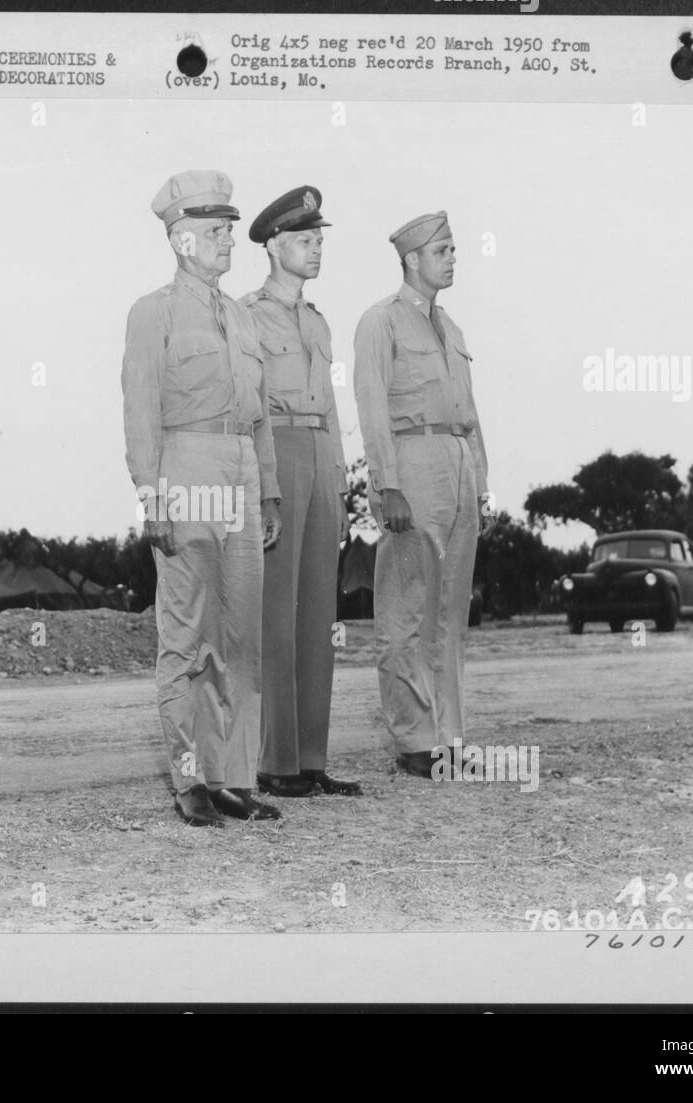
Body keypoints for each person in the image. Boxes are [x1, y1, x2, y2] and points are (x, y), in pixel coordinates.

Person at [122, 169, 284, 826]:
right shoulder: (152, 313)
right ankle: (190, 779)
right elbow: (140, 412)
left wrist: (267, 487)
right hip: (184, 465)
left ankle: (234, 779)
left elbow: (261, 412)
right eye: (216, 232)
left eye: (228, 231)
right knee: (188, 634)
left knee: (241, 635)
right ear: (182, 239)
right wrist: (150, 497)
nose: (228, 243)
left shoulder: (243, 318)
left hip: (241, 463)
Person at [352, 211, 493, 778]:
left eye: (455, 249)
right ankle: (414, 741)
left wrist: (481, 483)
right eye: (444, 251)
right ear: (412, 259)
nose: (454, 258)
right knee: (406, 608)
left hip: (457, 466)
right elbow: (371, 407)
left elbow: (471, 414)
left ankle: (449, 739)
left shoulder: (451, 328)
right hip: (412, 465)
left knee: (450, 613)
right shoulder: (380, 322)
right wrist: (387, 484)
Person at [241, 186, 361, 799]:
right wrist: (264, 486)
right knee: (276, 614)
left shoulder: (318, 321)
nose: (317, 251)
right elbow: (252, 407)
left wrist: (341, 481)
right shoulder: (247, 314)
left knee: (319, 614)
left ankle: (311, 758)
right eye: (306, 241)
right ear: (274, 246)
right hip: (278, 453)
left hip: (319, 453)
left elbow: (334, 407)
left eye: (320, 241)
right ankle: (275, 762)